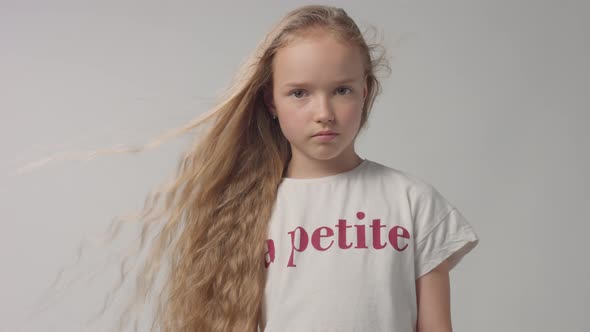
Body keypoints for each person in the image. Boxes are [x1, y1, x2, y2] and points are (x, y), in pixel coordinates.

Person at [20, 4, 479, 332]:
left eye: (341, 89)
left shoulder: (413, 202)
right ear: (271, 102)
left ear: (367, 91)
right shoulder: (246, 211)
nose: (324, 111)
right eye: (299, 92)